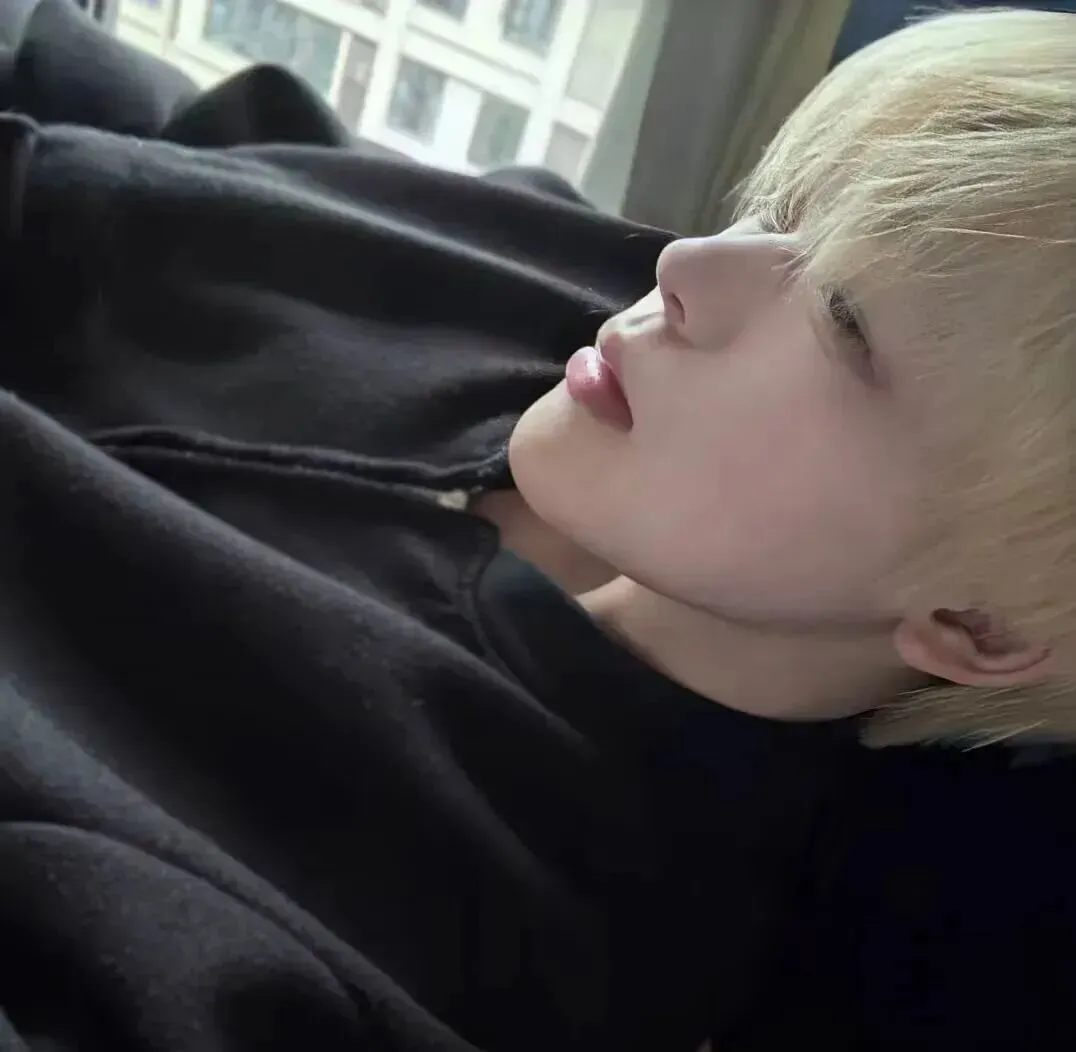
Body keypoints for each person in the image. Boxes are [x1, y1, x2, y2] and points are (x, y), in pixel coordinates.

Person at [0, 2, 1074, 1050]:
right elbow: (151, 124)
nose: (687, 264)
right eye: (787, 207)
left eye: (843, 319)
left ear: (977, 626)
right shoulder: (562, 284)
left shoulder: (490, 938)